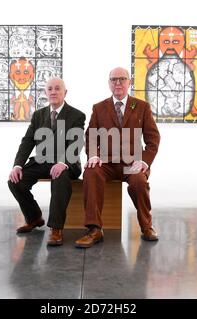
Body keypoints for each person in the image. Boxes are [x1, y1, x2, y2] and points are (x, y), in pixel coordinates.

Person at [75, 67, 161, 248]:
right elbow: (91, 136)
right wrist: (93, 155)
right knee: (90, 173)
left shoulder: (142, 107)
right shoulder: (99, 108)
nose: (118, 83)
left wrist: (144, 161)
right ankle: (94, 229)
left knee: (139, 181)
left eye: (122, 79)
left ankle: (146, 226)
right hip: (106, 163)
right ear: (109, 83)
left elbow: (153, 138)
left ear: (129, 82)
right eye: (114, 79)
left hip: (132, 164)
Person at [8, 78, 85, 246]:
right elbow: (27, 141)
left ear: (65, 92)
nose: (53, 92)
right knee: (15, 181)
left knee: (59, 177)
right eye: (50, 89)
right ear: (46, 92)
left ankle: (56, 228)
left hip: (67, 164)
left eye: (58, 88)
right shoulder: (38, 115)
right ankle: (34, 218)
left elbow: (76, 143)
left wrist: (63, 162)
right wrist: (17, 165)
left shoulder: (76, 115)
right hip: (43, 161)